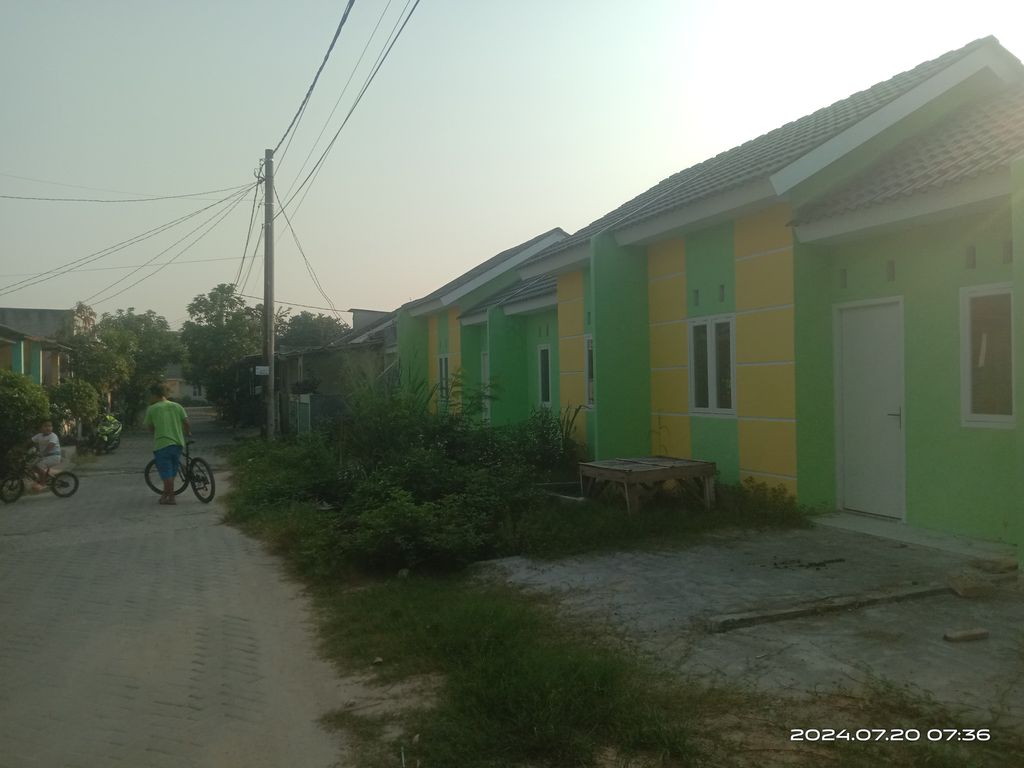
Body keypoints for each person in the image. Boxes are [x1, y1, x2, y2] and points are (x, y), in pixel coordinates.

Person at [143, 382, 191, 505]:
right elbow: (186, 423)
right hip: (178, 443)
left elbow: (150, 428)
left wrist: (157, 429)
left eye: (150, 395)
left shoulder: (152, 409)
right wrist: (187, 432)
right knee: (172, 471)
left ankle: (171, 498)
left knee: (166, 472)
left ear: (155, 395)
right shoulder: (177, 406)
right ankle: (165, 495)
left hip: (162, 444)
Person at [30, 419, 61, 491]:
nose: (48, 428)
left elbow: (50, 446)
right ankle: (42, 477)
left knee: (39, 466)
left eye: (50, 426)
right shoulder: (39, 436)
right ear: (40, 428)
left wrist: (42, 454)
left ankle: (43, 484)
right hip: (45, 457)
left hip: (54, 456)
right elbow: (29, 442)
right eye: (45, 426)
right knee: (32, 466)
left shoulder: (53, 436)